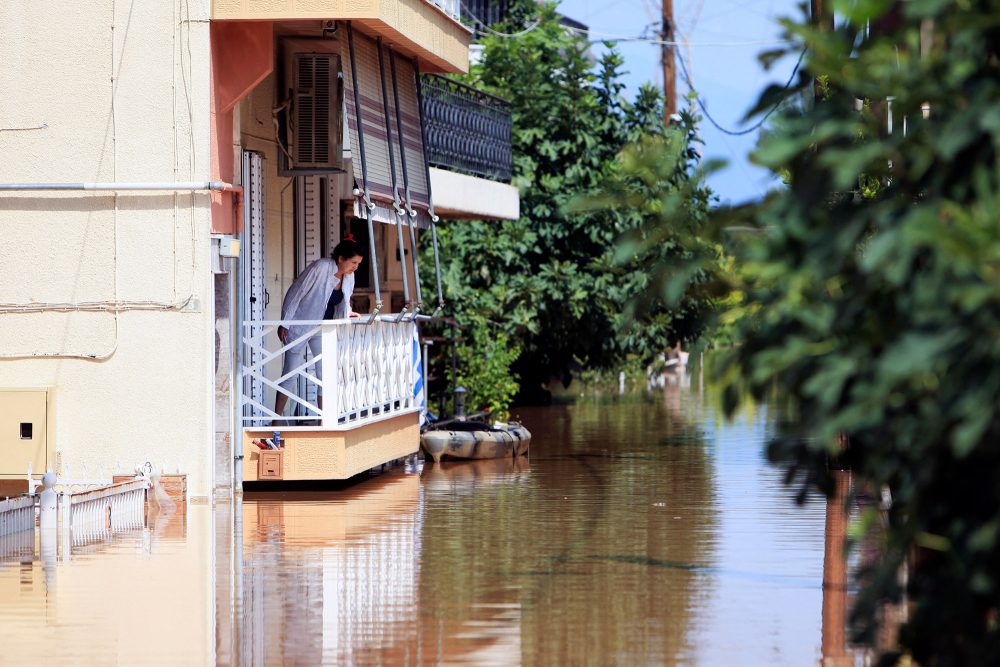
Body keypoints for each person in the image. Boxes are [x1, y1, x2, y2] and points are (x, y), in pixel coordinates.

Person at [273, 238, 364, 421]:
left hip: (324, 328)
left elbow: (343, 301)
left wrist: (348, 312)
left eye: (358, 264)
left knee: (326, 372)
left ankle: (325, 420)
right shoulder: (320, 267)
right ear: (341, 258)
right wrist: (286, 322)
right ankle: (275, 419)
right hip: (302, 324)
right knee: (290, 372)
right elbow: (295, 292)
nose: (356, 267)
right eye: (354, 262)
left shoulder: (349, 277)